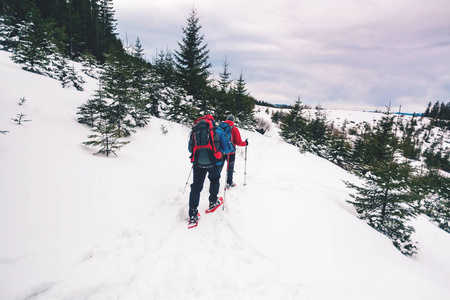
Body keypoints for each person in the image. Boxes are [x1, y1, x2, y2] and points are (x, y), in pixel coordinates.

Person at [188, 115, 232, 226]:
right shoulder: (218, 130)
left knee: (196, 187)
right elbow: (227, 149)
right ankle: (213, 201)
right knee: (214, 179)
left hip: (198, 164)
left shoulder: (195, 131)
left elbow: (190, 148)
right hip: (215, 163)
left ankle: (193, 213)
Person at [222, 114, 248, 189]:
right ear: (233, 121)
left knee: (219, 167)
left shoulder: (220, 127)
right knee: (230, 167)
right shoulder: (234, 129)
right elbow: (238, 142)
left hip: (221, 151)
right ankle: (229, 182)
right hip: (230, 152)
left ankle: (215, 182)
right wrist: (245, 143)